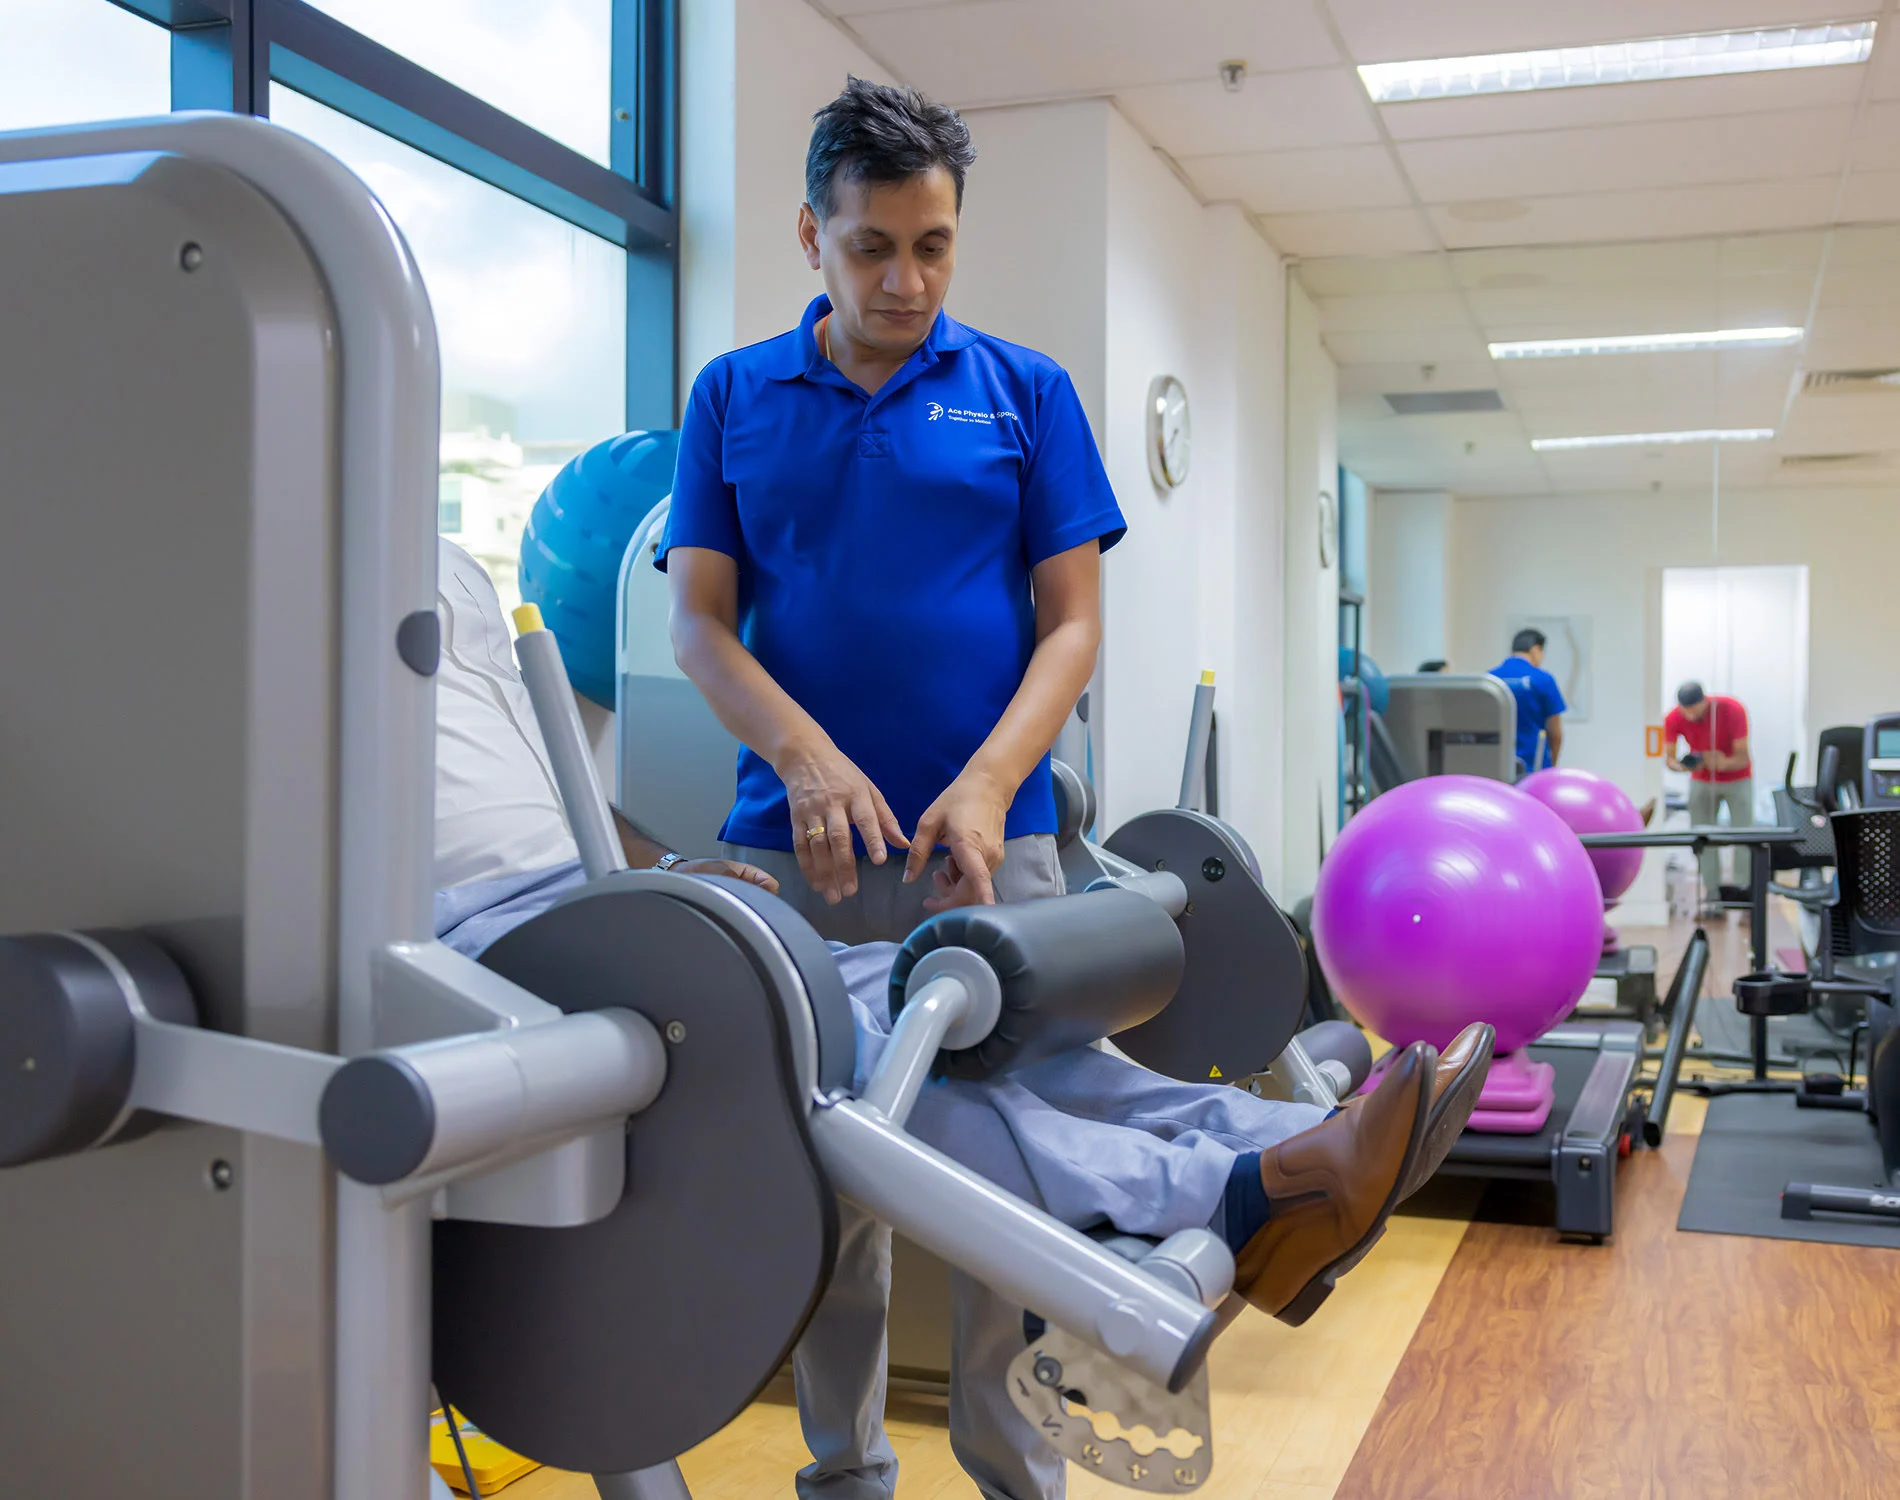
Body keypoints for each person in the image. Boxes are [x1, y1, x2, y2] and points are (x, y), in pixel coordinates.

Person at [430, 539, 1488, 1500]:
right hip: (472, 946)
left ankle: (1279, 1146)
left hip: (597, 891)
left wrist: (661, 869)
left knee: (945, 1004)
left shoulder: (448, 568)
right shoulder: (278, 576)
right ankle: (1228, 1200)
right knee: (868, 1052)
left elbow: (537, 788)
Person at [661, 77, 1122, 941]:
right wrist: (805, 762)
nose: (908, 282)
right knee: (800, 1073)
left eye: (933, 247)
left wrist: (990, 785)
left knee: (1019, 1074)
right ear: (811, 235)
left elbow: (1073, 626)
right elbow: (697, 624)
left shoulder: (1029, 391)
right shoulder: (730, 394)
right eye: (872, 247)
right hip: (797, 839)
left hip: (988, 843)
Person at [1664, 681, 1753, 908]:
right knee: (1703, 837)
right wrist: (1682, 766)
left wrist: (1722, 762)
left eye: (1695, 709)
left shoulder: (1732, 709)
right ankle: (1713, 894)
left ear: (1705, 701)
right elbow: (1670, 759)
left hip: (1737, 778)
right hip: (1701, 780)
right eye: (1687, 711)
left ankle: (1743, 893)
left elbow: (1743, 757)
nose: (1691, 715)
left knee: (1744, 836)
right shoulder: (1673, 718)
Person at [1490, 628, 1566, 773]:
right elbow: (1555, 733)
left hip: (1497, 766)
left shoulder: (1490, 680)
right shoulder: (1543, 679)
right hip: (1533, 765)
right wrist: (1552, 764)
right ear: (1536, 650)